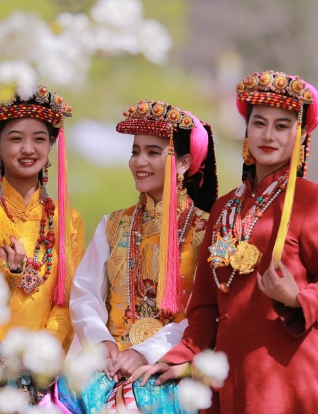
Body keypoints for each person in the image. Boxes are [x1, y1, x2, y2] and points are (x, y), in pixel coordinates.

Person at [133, 70, 318, 414]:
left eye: (282, 126)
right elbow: (204, 307)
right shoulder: (223, 207)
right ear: (246, 130)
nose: (268, 135)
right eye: (259, 123)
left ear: (301, 134)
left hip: (286, 374)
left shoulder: (311, 200)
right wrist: (180, 357)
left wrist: (297, 299)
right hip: (227, 374)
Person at [54, 100, 217, 414]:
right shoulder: (113, 224)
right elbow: (85, 293)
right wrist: (101, 341)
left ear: (183, 163)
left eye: (153, 152)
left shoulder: (205, 231)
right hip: (107, 363)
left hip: (167, 367)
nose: (139, 161)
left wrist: (147, 352)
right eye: (135, 151)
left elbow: (204, 313)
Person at [0, 85, 85, 402]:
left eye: (39, 139)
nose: (28, 149)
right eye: (16, 138)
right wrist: (5, 269)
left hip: (38, 375)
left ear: (52, 145)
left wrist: (39, 357)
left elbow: (67, 303)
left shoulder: (68, 221)